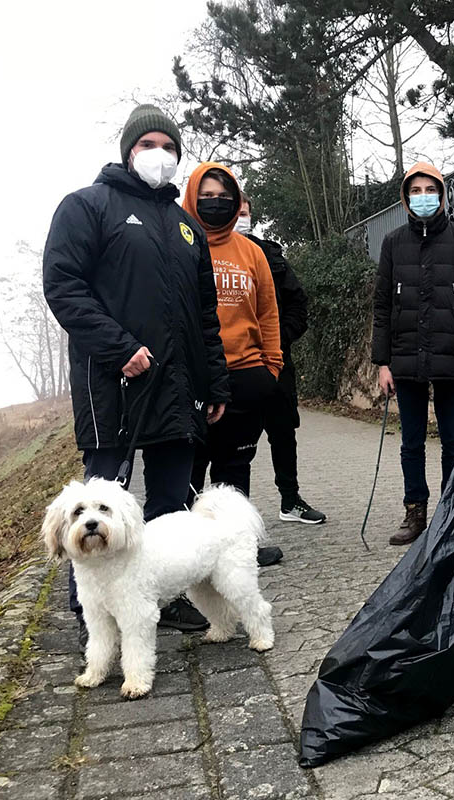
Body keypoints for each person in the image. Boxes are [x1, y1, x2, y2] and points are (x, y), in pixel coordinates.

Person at [44, 104, 229, 642]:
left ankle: (160, 599)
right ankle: (92, 617)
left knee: (170, 508)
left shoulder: (185, 227)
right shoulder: (87, 207)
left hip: (179, 391)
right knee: (97, 506)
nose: (160, 155)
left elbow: (204, 315)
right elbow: (64, 288)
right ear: (129, 149)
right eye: (149, 144)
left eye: (169, 146)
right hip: (115, 388)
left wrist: (213, 381)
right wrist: (119, 348)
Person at [371, 162, 454, 545]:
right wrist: (382, 362)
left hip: (450, 356)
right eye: (416, 190)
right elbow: (381, 306)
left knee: (453, 442)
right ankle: (415, 512)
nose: (423, 197)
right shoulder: (393, 243)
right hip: (405, 359)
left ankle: (451, 510)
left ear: (442, 196)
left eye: (430, 190)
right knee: (411, 442)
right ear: (406, 198)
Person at [181, 163, 292, 565]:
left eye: (223, 196)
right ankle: (191, 555)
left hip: (247, 377)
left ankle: (239, 549)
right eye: (206, 196)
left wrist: (271, 369)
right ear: (193, 196)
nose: (215, 203)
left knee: (235, 469)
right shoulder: (181, 241)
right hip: (195, 378)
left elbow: (268, 313)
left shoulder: (252, 253)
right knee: (190, 471)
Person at [233, 197, 327, 525]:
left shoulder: (271, 256)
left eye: (244, 213)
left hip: (276, 364)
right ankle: (233, 516)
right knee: (232, 443)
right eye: (236, 212)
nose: (239, 218)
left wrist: (278, 339)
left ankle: (291, 500)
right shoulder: (209, 255)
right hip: (231, 366)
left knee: (283, 431)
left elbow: (299, 305)